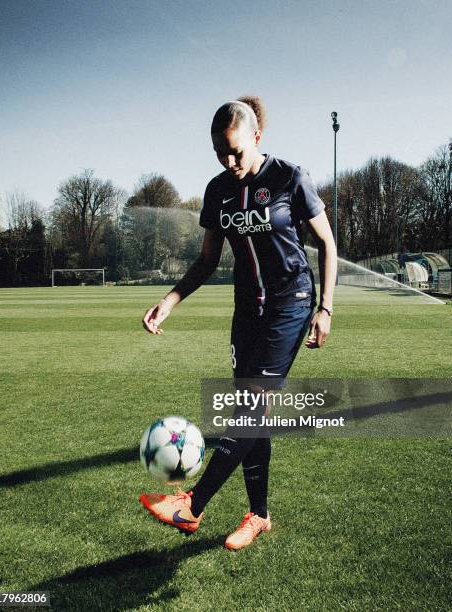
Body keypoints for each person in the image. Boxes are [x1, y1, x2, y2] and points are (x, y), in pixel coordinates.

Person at [140, 96, 337, 550]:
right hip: (246, 311)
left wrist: (325, 308)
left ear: (257, 138)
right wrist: (170, 300)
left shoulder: (291, 176)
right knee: (255, 413)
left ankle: (192, 505)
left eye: (236, 152)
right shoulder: (217, 191)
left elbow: (327, 243)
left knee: (248, 410)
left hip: (291, 303)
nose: (229, 162)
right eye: (219, 153)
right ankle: (259, 515)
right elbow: (208, 260)